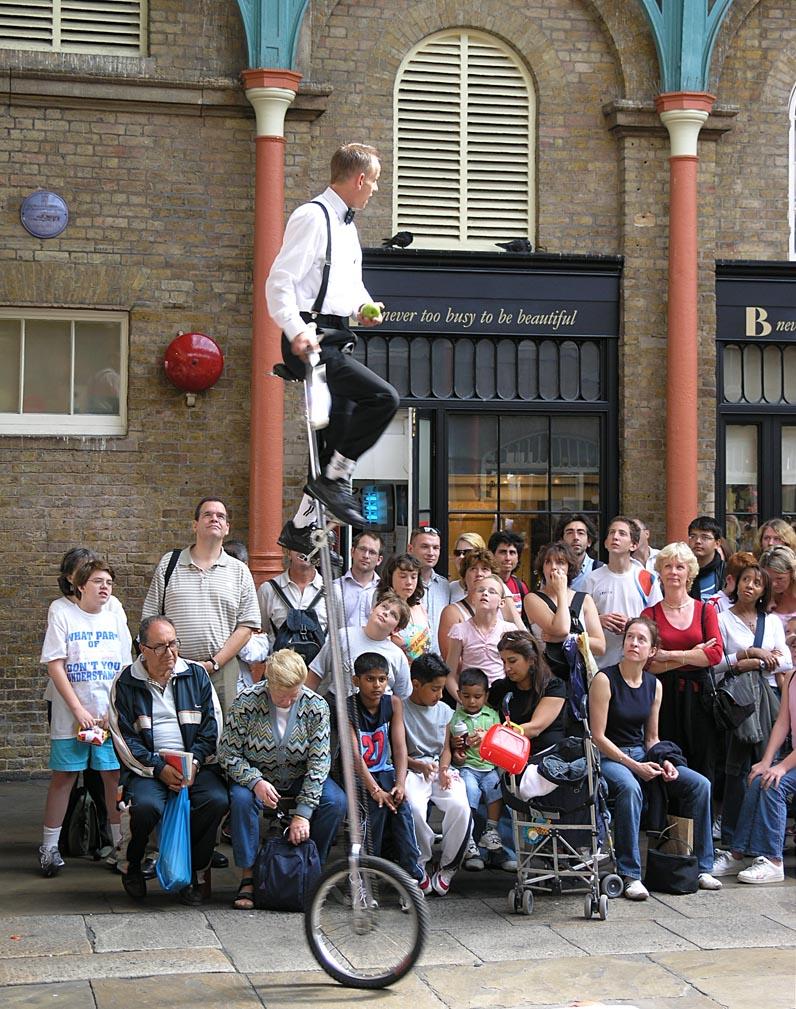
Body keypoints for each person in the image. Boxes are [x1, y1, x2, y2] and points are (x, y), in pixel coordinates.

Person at [266, 142, 400, 551]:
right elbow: (279, 281)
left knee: (334, 436)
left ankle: (300, 526)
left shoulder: (348, 226)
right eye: (375, 181)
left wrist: (364, 305)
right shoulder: (312, 216)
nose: (375, 189)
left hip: (338, 337)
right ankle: (337, 478)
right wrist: (295, 330)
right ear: (359, 179)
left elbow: (347, 285)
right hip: (311, 339)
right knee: (383, 398)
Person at [589, 617, 721, 899]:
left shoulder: (654, 684)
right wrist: (634, 765)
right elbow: (598, 737)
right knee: (630, 787)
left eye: (641, 640)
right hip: (610, 756)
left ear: (652, 651)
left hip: (641, 753)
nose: (634, 643)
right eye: (630, 638)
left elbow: (652, 738)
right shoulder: (604, 679)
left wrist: (665, 761)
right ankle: (630, 873)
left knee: (699, 785)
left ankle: (702, 866)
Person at [108, 616, 229, 904]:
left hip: (194, 767)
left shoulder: (196, 675)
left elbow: (213, 727)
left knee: (216, 800)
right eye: (160, 647)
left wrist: (196, 763)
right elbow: (124, 739)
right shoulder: (125, 682)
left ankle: (195, 873)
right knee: (144, 807)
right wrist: (159, 768)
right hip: (149, 769)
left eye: (173, 644)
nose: (170, 653)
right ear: (142, 649)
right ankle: (132, 866)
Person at [218, 649, 346, 910]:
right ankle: (248, 875)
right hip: (257, 773)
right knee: (241, 799)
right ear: (268, 683)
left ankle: (310, 869)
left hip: (299, 774)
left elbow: (320, 762)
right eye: (281, 695)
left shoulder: (316, 706)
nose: (288, 701)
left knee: (335, 802)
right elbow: (228, 752)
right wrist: (255, 781)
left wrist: (303, 813)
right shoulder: (246, 701)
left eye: (294, 694)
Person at [38, 559, 131, 876]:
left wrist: (112, 709)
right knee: (64, 777)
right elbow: (55, 664)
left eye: (109, 582)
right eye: (97, 582)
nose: (105, 587)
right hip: (71, 715)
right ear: (79, 585)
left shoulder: (114, 614)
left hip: (107, 717)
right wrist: (78, 709)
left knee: (112, 778)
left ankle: (121, 848)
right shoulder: (63, 613)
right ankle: (49, 848)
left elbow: (124, 667)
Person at [142, 497, 261, 716]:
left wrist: (214, 663)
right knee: (175, 732)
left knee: (224, 734)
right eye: (207, 514)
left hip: (222, 670)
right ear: (195, 524)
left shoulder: (239, 571)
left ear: (227, 528)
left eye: (220, 516)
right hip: (173, 667)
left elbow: (246, 626)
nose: (214, 519)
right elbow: (151, 619)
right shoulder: (170, 564)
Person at [712, 564, 787, 847]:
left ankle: (760, 839)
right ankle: (732, 839)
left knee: (767, 764)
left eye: (757, 583)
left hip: (768, 699)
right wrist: (749, 655)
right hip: (738, 701)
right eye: (746, 580)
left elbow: (786, 661)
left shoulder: (773, 622)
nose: (750, 586)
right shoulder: (722, 619)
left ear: (763, 590)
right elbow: (716, 663)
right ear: (736, 583)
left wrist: (753, 663)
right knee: (736, 768)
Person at [641, 542, 723, 782]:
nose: (673, 572)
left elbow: (715, 655)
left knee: (703, 762)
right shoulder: (650, 615)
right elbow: (648, 664)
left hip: (701, 699)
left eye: (680, 567)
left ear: (689, 573)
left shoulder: (705, 611)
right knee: (668, 762)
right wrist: (691, 655)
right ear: (660, 571)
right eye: (668, 566)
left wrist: (669, 655)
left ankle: (701, 819)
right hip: (664, 698)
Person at [710, 667, 796, 885]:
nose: (793, 648)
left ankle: (773, 860)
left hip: (792, 762)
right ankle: (738, 854)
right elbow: (783, 722)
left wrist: (782, 767)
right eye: (792, 642)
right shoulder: (791, 677)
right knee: (758, 777)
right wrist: (766, 761)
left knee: (774, 784)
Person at [347, 652, 423, 884]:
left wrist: (400, 784)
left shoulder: (393, 704)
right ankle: (364, 878)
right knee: (375, 808)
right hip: (359, 776)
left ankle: (410, 876)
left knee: (402, 806)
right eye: (370, 679)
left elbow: (400, 749)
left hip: (386, 771)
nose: (377, 685)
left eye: (382, 679)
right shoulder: (347, 708)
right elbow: (355, 757)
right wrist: (374, 789)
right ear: (356, 680)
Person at [402, 653, 472, 896]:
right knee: (413, 809)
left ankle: (449, 866)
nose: (440, 695)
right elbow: (397, 753)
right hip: (412, 770)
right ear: (417, 684)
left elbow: (445, 749)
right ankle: (419, 864)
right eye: (435, 689)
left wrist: (443, 769)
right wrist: (419, 766)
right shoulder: (400, 708)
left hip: (437, 768)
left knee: (460, 805)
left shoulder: (443, 710)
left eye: (442, 688)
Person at [584, 516, 661, 668]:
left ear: (633, 545)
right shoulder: (592, 579)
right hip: (602, 663)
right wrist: (598, 620)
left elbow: (657, 620)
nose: (615, 537)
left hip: (637, 663)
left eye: (622, 533)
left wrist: (632, 624)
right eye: (611, 533)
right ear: (605, 543)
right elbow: (580, 620)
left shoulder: (646, 578)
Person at [523, 541, 606, 684]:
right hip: (548, 676)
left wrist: (570, 639)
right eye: (548, 562)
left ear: (569, 567)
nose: (554, 568)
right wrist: (561, 592)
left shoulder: (585, 599)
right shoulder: (532, 599)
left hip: (578, 675)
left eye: (560, 562)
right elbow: (560, 628)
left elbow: (600, 646)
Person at [307, 592, 412, 700]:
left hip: (377, 713)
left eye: (393, 615)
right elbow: (316, 673)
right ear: (373, 609)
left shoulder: (397, 656)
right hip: (338, 708)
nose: (386, 613)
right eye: (384, 607)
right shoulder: (343, 636)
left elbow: (402, 697)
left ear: (396, 629)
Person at [449, 667, 504, 867]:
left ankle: (491, 830)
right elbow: (452, 746)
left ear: (486, 696)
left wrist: (487, 737)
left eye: (477, 696)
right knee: (469, 790)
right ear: (458, 695)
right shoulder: (455, 717)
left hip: (488, 767)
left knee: (496, 788)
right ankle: (469, 835)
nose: (472, 701)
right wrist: (457, 749)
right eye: (467, 696)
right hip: (468, 768)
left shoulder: (492, 716)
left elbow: (499, 739)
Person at [438, 548, 523, 662]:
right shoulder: (452, 612)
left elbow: (522, 638)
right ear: (464, 575)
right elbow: (451, 660)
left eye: (485, 569)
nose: (479, 574)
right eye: (473, 569)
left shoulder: (503, 604)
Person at [445, 574, 517, 697]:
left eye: (492, 591)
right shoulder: (460, 630)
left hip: (500, 697)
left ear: (502, 603)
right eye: (480, 590)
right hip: (470, 700)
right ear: (473, 599)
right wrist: (462, 701)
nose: (485, 594)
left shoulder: (509, 630)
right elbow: (450, 674)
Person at [257, 548, 328, 654]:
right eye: (298, 545)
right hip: (280, 669)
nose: (304, 549)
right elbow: (261, 631)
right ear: (289, 553)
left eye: (310, 546)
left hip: (322, 669)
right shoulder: (268, 590)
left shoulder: (333, 591)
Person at [375, 553, 432, 663]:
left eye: (414, 576)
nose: (409, 582)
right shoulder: (383, 611)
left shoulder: (420, 608)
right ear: (390, 577)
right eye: (403, 576)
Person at [408, 526, 451, 652]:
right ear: (410, 549)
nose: (431, 553)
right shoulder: (401, 584)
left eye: (435, 548)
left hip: (439, 663)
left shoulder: (445, 586)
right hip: (410, 662)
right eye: (424, 547)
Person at [334, 532, 383, 627]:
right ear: (352, 552)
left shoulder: (385, 590)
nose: (366, 556)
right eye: (362, 549)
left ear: (379, 560)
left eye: (372, 552)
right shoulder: (335, 587)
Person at [552, 513, 604, 590]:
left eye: (581, 533)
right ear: (561, 540)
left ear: (589, 541)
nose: (576, 537)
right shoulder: (552, 570)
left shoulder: (601, 571)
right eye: (570, 533)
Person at [488, 530, 529, 617]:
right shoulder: (484, 584)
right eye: (503, 552)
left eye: (512, 552)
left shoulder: (521, 586)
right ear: (492, 555)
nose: (507, 558)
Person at [687, 516, 726, 603]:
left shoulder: (726, 572)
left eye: (705, 537)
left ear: (717, 543)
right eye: (693, 536)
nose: (698, 541)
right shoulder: (683, 570)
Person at [759, 545, 796, 629]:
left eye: (780, 578)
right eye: (769, 578)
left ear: (792, 573)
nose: (774, 584)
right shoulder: (760, 598)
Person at [448, 532, 487, 602]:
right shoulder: (451, 588)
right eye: (458, 553)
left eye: (467, 552)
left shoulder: (496, 587)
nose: (461, 556)